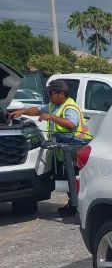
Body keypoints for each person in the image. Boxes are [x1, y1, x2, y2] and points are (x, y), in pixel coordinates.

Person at [9, 80, 91, 216]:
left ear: (61, 93)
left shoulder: (69, 107)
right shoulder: (54, 105)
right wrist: (22, 111)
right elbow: (37, 110)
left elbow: (71, 124)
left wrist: (51, 117)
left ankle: (76, 207)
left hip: (75, 152)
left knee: (75, 180)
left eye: (51, 93)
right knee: (67, 179)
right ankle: (72, 205)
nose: (49, 96)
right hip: (63, 151)